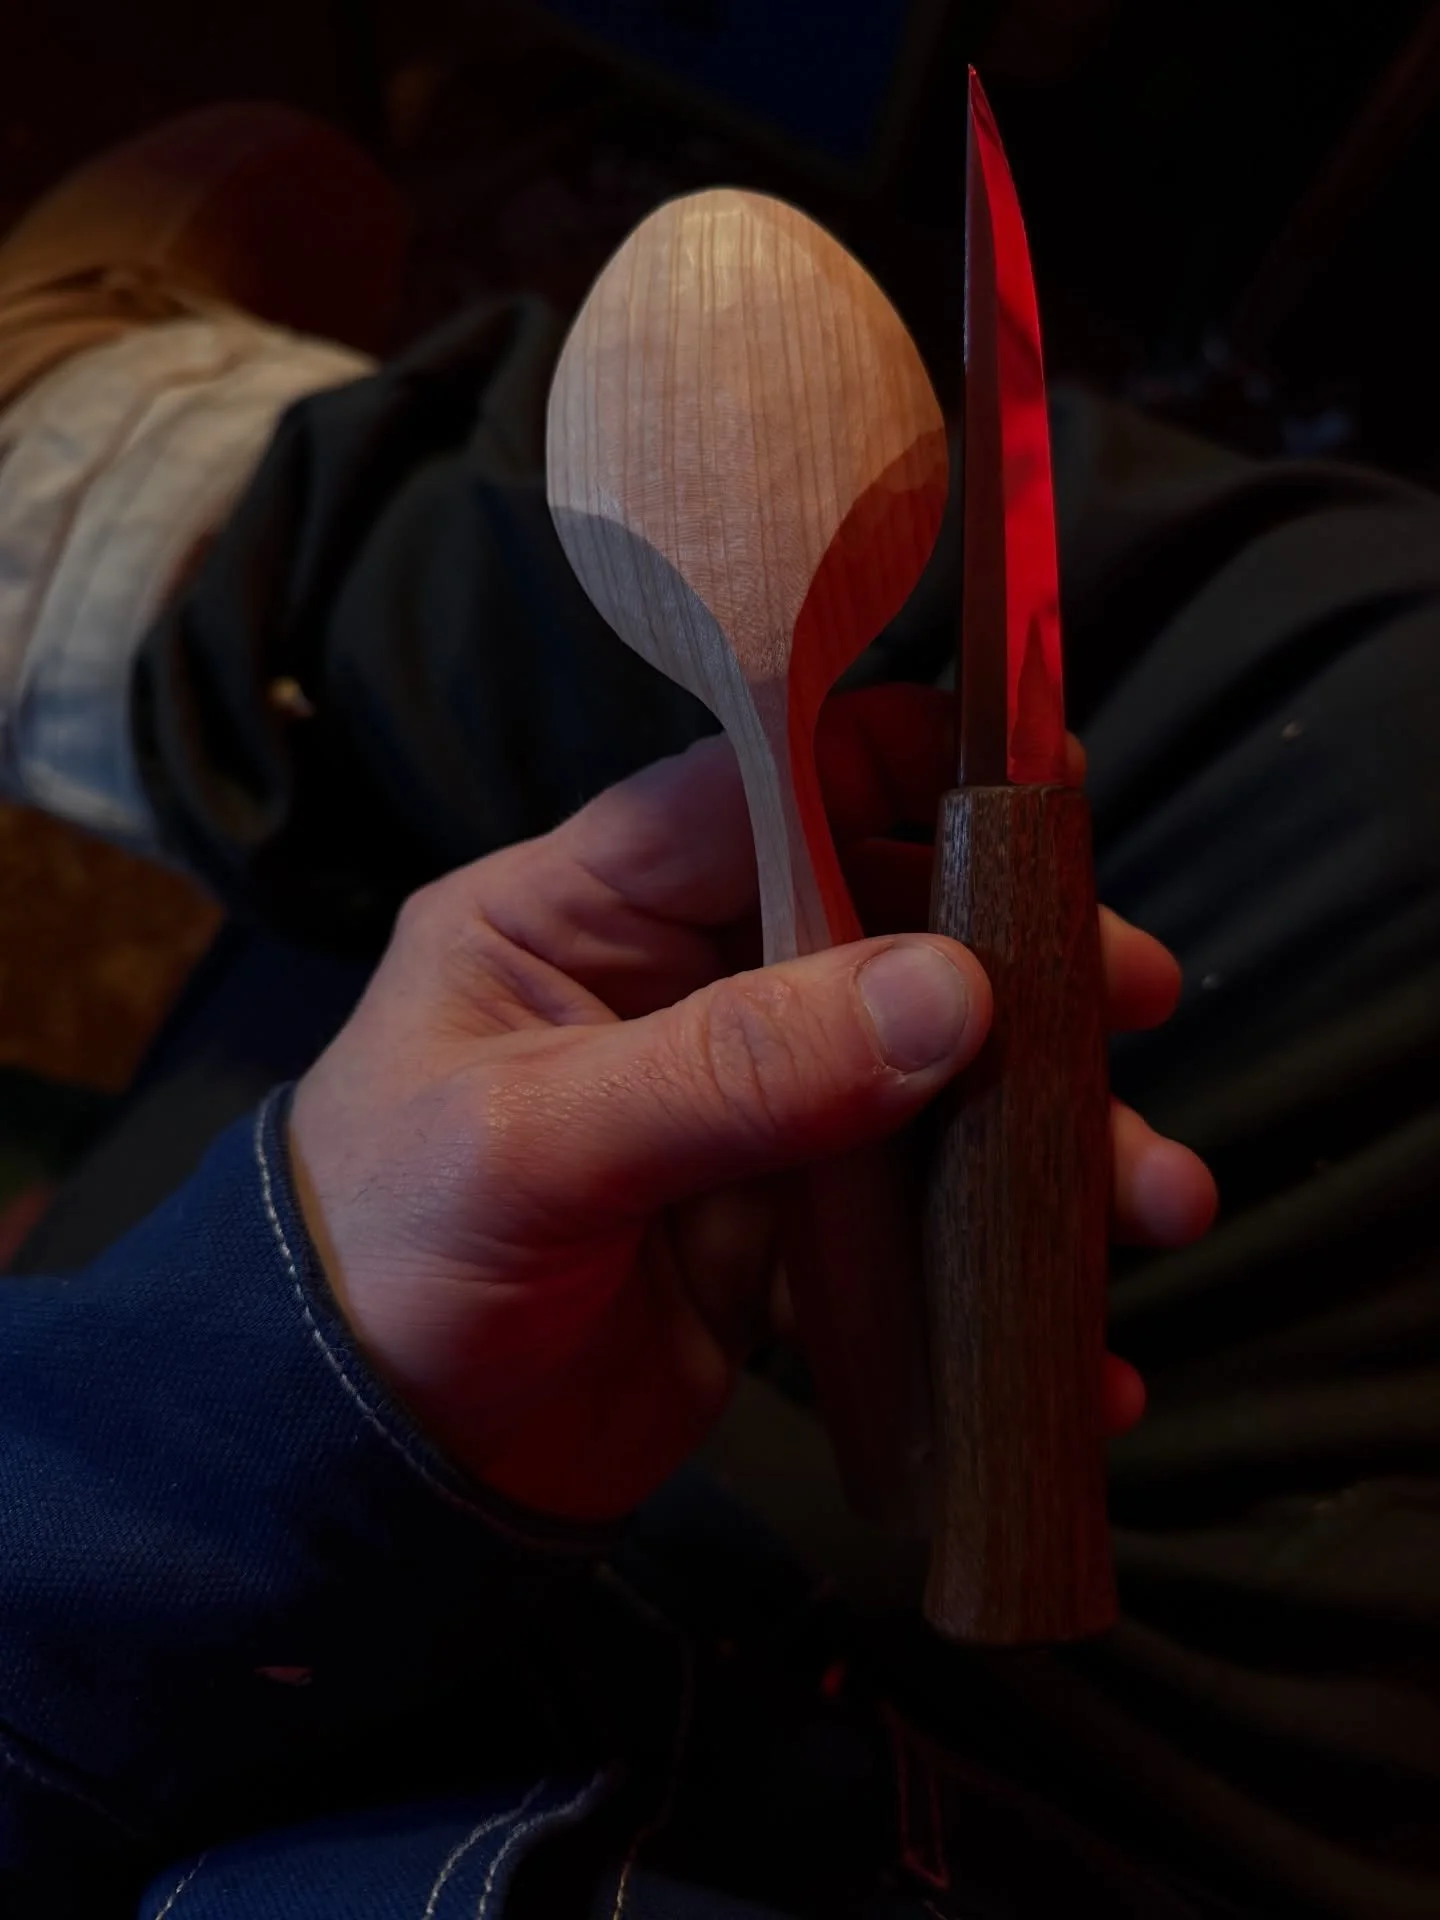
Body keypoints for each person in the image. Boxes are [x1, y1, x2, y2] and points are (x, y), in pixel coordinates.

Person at [1, 107, 1436, 1920]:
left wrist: (286, 1381)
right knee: (1371, 681)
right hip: (960, 1775)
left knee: (1216, 657)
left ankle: (101, 519)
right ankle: (178, 527)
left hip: (599, 1694)